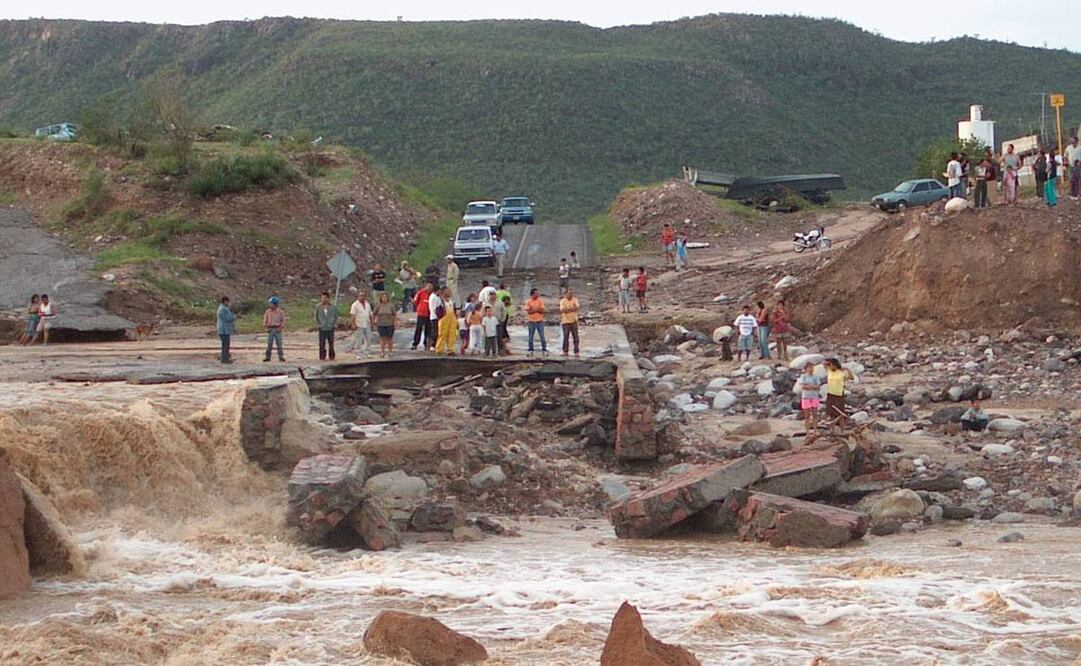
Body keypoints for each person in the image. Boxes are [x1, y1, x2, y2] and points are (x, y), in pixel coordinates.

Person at [824, 358, 855, 431]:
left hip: (839, 394)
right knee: (831, 414)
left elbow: (852, 378)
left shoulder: (841, 373)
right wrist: (829, 362)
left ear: (835, 365)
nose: (830, 366)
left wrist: (847, 369)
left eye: (831, 365)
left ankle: (842, 429)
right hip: (831, 394)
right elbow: (824, 363)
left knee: (840, 413)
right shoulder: (829, 371)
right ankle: (832, 429)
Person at [799, 362, 822, 436]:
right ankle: (807, 432)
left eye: (812, 368)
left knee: (815, 414)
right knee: (807, 415)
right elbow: (803, 386)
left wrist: (809, 386)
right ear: (806, 369)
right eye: (810, 368)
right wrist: (812, 386)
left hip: (814, 397)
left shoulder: (816, 377)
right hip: (806, 397)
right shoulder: (803, 377)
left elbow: (818, 386)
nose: (811, 369)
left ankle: (815, 430)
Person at [315, 291, 339, 361]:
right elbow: (316, 317)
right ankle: (322, 356)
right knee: (322, 343)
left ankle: (331, 356)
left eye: (325, 298)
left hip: (330, 327)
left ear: (328, 298)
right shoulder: (318, 307)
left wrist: (334, 324)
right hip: (322, 328)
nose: (323, 299)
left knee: (331, 343)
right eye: (322, 298)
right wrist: (318, 325)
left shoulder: (333, 307)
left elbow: (336, 316)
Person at [262, 296, 286, 362]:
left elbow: (283, 320)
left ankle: (281, 357)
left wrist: (281, 327)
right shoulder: (267, 312)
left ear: (275, 304)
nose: (270, 305)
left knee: (279, 344)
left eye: (271, 304)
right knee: (269, 344)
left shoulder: (280, 312)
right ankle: (268, 357)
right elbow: (265, 320)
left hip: (277, 329)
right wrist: (265, 327)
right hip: (270, 329)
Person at [373, 291, 397, 357]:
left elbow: (395, 314)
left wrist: (395, 323)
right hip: (381, 324)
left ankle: (390, 352)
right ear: (381, 298)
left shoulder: (390, 305)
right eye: (383, 297)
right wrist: (374, 321)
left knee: (390, 339)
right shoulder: (378, 305)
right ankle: (382, 352)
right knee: (382, 339)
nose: (384, 298)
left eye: (385, 297)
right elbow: (374, 313)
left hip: (390, 324)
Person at [524, 288, 547, 356]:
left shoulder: (540, 301)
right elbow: (529, 311)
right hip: (531, 321)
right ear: (532, 294)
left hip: (540, 321)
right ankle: (531, 349)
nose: (538, 294)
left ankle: (544, 349)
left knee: (542, 336)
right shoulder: (528, 301)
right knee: (531, 336)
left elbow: (542, 310)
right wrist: (537, 309)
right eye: (536, 293)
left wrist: (534, 309)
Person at [559, 287, 581, 357]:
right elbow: (563, 310)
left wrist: (568, 309)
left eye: (572, 293)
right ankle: (565, 351)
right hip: (565, 322)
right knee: (566, 337)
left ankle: (576, 352)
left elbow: (577, 308)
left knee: (576, 338)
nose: (571, 295)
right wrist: (572, 308)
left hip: (574, 321)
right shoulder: (562, 301)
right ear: (566, 294)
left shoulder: (575, 300)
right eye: (569, 293)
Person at [216, 296, 236, 363]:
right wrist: (234, 315)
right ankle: (224, 358)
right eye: (228, 302)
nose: (228, 303)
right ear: (225, 301)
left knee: (225, 344)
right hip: (224, 330)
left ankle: (225, 356)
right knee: (226, 345)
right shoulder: (223, 309)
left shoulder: (224, 308)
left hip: (224, 329)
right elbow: (228, 318)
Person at [429, 287, 448, 353]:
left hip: (435, 316)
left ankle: (436, 344)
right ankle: (433, 345)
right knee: (435, 331)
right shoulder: (434, 297)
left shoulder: (436, 297)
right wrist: (439, 315)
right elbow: (435, 308)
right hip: (435, 317)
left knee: (437, 331)